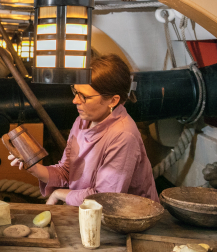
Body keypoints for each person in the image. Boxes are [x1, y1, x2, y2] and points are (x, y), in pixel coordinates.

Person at [9, 54, 159, 206]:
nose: (75, 101)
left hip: (127, 219)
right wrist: (32, 167)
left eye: (84, 97)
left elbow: (104, 198)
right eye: (75, 91)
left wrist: (59, 193)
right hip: (89, 211)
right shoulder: (82, 121)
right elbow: (66, 172)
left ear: (113, 100)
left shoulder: (123, 136)